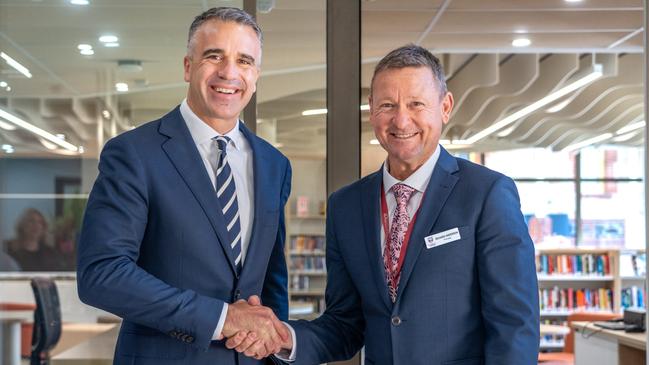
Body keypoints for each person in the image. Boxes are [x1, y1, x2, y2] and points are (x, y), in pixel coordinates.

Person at [230, 44, 540, 364]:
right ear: (371, 108)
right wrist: (282, 339)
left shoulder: (487, 194)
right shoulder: (346, 207)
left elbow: (514, 325)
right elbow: (344, 324)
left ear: (445, 106)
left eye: (416, 104)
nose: (401, 120)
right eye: (388, 105)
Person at [77, 7, 291, 364]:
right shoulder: (133, 154)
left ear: (256, 75)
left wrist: (272, 343)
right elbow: (102, 273)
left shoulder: (274, 165)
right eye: (214, 56)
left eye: (244, 61)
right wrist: (222, 319)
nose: (229, 72)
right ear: (188, 66)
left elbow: (272, 279)